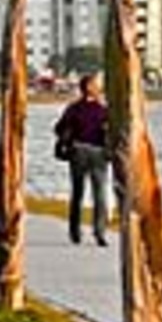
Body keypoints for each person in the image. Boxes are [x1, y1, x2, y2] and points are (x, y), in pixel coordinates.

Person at [54, 74, 111, 246]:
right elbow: (113, 131)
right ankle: (98, 232)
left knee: (80, 193)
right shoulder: (103, 110)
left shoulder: (75, 108)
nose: (98, 87)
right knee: (98, 194)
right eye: (95, 85)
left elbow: (58, 128)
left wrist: (68, 139)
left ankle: (78, 231)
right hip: (95, 152)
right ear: (89, 88)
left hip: (81, 151)